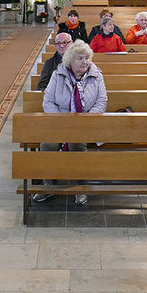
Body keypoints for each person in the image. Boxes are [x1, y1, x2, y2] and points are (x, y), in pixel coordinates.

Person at [35, 40, 107, 206]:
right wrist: (61, 121)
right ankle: (48, 186)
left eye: (87, 58)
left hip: (86, 123)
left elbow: (101, 101)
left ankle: (79, 186)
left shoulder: (96, 75)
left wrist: (85, 120)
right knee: (47, 144)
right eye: (80, 58)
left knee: (77, 143)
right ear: (70, 60)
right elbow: (48, 101)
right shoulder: (58, 74)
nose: (85, 62)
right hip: (59, 122)